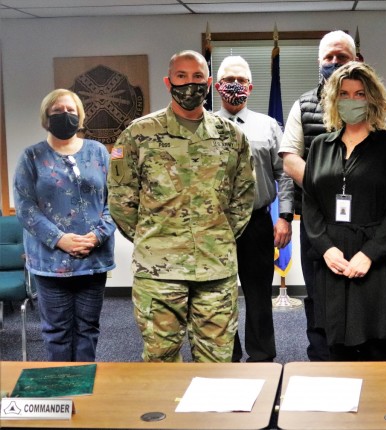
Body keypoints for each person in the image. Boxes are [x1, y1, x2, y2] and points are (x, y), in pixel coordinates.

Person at [107, 50, 255, 363]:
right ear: (168, 82)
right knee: (161, 363)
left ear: (209, 82)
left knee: (217, 364)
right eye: (182, 77)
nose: (190, 84)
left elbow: (243, 198)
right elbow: (121, 199)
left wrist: (216, 235)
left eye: (198, 77)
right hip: (159, 271)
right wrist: (156, 236)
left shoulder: (231, 136)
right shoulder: (138, 134)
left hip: (216, 268)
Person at [280, 30, 386, 361]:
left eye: (340, 57)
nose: (333, 63)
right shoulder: (303, 105)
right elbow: (290, 158)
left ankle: (363, 358)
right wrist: (325, 193)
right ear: (319, 61)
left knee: (363, 291)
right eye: (328, 57)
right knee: (319, 294)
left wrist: (352, 187)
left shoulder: (374, 105)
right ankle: (324, 359)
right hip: (318, 222)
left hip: (365, 223)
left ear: (356, 59)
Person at [302, 61, 386, 361]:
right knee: (333, 343)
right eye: (344, 94)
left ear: (372, 98)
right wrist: (325, 249)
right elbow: (310, 202)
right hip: (333, 259)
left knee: (375, 345)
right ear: (333, 100)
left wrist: (369, 253)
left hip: (374, 258)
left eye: (360, 94)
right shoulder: (320, 146)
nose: (352, 101)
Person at [13, 89, 116, 362]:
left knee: (88, 328)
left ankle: (84, 390)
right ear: (46, 117)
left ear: (80, 115)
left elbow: (116, 200)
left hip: (93, 258)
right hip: (50, 263)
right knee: (57, 331)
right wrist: (60, 239)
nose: (65, 115)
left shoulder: (97, 153)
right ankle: (61, 388)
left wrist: (96, 236)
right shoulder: (31, 157)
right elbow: (24, 207)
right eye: (57, 111)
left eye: (71, 110)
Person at [213, 56, 293, 362]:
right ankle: (227, 354)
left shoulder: (268, 125)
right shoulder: (204, 126)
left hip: (257, 223)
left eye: (241, 80)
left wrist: (284, 217)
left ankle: (261, 356)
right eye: (228, 80)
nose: (235, 86)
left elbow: (283, 173)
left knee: (259, 294)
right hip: (215, 226)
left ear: (251, 86)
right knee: (220, 295)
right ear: (218, 86)